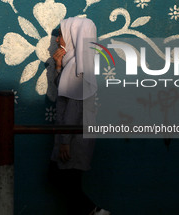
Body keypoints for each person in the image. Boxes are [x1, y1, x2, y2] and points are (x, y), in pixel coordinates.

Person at [49, 17, 110, 215]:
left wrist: (65, 141)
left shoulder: (77, 68)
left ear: (73, 35)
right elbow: (65, 92)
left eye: (61, 34)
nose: (58, 40)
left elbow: (73, 107)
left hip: (73, 139)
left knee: (66, 181)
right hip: (76, 137)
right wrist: (58, 66)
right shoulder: (76, 65)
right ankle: (93, 211)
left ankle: (96, 211)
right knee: (69, 183)